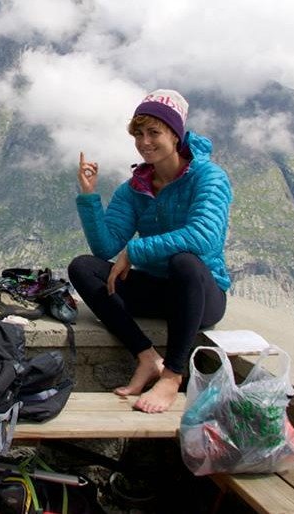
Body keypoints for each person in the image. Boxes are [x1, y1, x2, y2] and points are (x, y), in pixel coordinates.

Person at [69, 89, 232, 414]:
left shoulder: (209, 178)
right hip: (159, 291)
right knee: (83, 268)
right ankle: (146, 357)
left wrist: (137, 251)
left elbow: (203, 237)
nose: (145, 142)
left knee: (185, 262)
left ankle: (171, 376)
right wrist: (89, 197)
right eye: (139, 134)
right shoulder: (136, 188)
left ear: (175, 134)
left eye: (154, 132)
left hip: (200, 294)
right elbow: (105, 246)